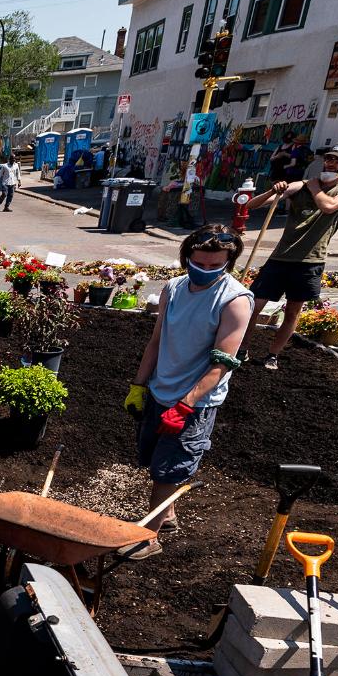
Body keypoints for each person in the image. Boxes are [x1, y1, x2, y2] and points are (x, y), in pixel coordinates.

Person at [122, 225, 253, 560]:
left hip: (195, 401)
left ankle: (147, 537)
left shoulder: (234, 301)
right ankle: (168, 515)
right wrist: (139, 384)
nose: (206, 271)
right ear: (187, 257)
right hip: (160, 388)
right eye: (200, 264)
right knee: (155, 459)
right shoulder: (175, 288)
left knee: (169, 469)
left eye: (215, 266)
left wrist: (185, 405)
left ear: (228, 261)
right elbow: (156, 340)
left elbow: (221, 364)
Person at [241, 140, 338, 370]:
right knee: (253, 306)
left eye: (337, 160)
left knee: (292, 311)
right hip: (281, 257)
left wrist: (315, 186)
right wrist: (274, 190)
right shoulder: (301, 185)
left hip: (310, 260)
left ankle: (272, 355)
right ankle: (242, 349)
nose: (330, 163)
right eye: (328, 158)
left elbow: (330, 207)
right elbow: (252, 206)